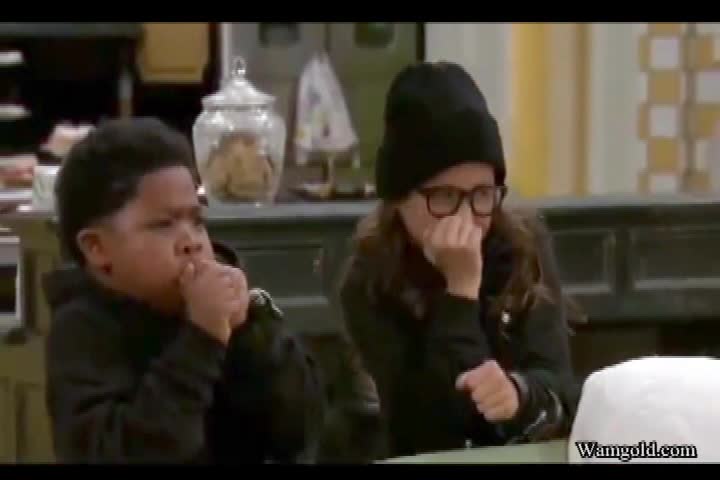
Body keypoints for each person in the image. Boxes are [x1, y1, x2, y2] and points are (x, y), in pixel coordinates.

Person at [43, 117, 326, 463]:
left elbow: (297, 430)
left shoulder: (218, 310)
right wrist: (202, 340)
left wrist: (250, 331)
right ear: (97, 249)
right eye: (163, 225)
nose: (191, 242)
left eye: (197, 221)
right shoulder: (81, 331)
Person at [339, 62, 582, 460]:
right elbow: (429, 429)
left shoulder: (522, 247)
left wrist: (519, 394)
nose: (467, 218)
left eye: (482, 194)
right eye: (445, 196)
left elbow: (560, 387)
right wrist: (460, 293)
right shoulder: (369, 278)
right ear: (400, 199)